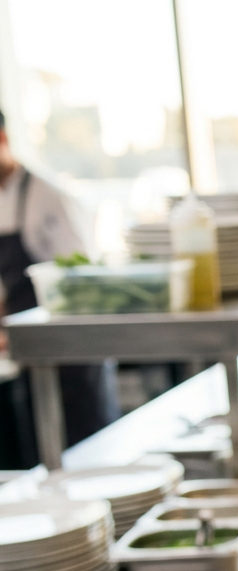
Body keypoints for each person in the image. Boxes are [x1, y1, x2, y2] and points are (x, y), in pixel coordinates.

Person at [0, 108, 118, 468]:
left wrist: (15, 333)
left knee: (90, 459)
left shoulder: (48, 196)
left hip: (73, 357)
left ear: (4, 140)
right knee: (44, 462)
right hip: (30, 357)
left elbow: (81, 284)